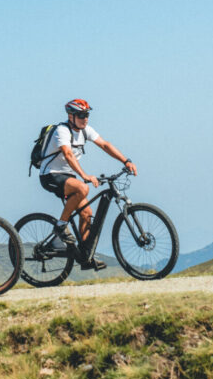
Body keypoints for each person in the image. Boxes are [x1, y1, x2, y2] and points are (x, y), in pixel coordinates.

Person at [37, 99, 138, 260]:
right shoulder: (62, 131)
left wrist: (125, 161)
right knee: (83, 188)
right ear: (71, 116)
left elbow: (105, 145)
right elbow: (68, 154)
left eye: (87, 115)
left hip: (68, 176)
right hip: (50, 175)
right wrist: (84, 176)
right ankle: (61, 227)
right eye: (81, 115)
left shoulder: (85, 130)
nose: (85, 119)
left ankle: (85, 255)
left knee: (86, 213)